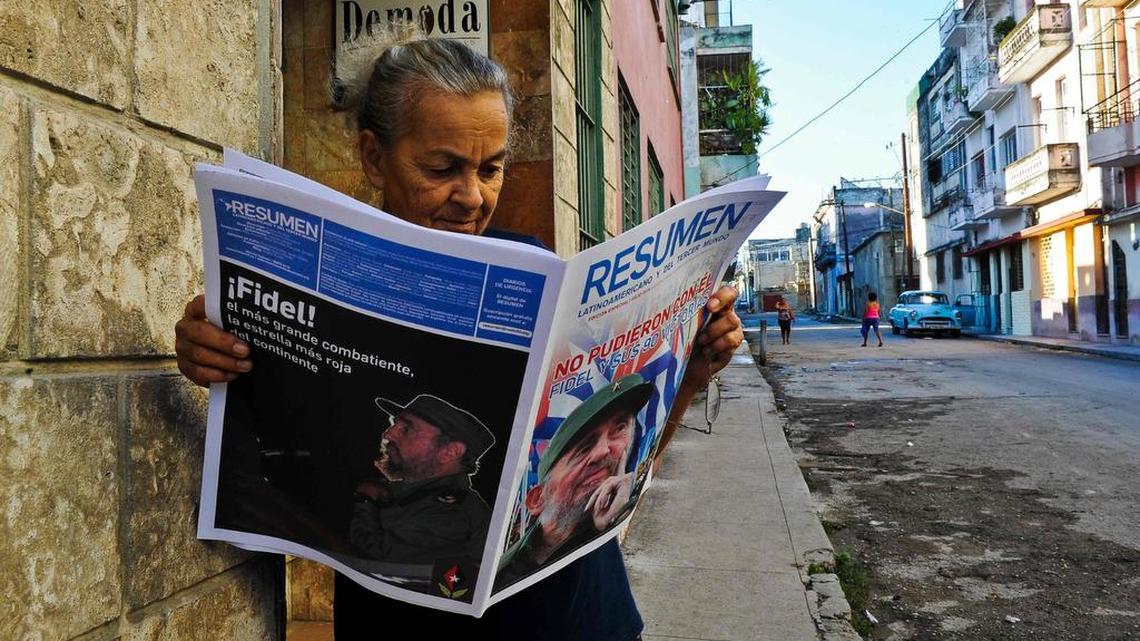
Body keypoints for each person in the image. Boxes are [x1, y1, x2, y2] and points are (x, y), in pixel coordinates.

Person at [174, 25, 744, 641]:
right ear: (373, 157)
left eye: (492, 169)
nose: (471, 197)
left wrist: (690, 377)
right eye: (442, 167)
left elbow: (628, 468)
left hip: (579, 619)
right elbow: (277, 459)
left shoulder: (534, 271)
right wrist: (215, 352)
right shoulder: (309, 281)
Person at [496, 374, 653, 588]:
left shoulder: (621, 504)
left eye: (619, 428)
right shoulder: (501, 575)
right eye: (584, 448)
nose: (602, 452)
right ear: (537, 499)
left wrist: (690, 381)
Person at [349, 394, 494, 572]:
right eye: (394, 423)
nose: (388, 434)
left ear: (449, 452)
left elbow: (377, 561)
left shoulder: (455, 515)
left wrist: (366, 501)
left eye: (406, 429)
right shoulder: (407, 491)